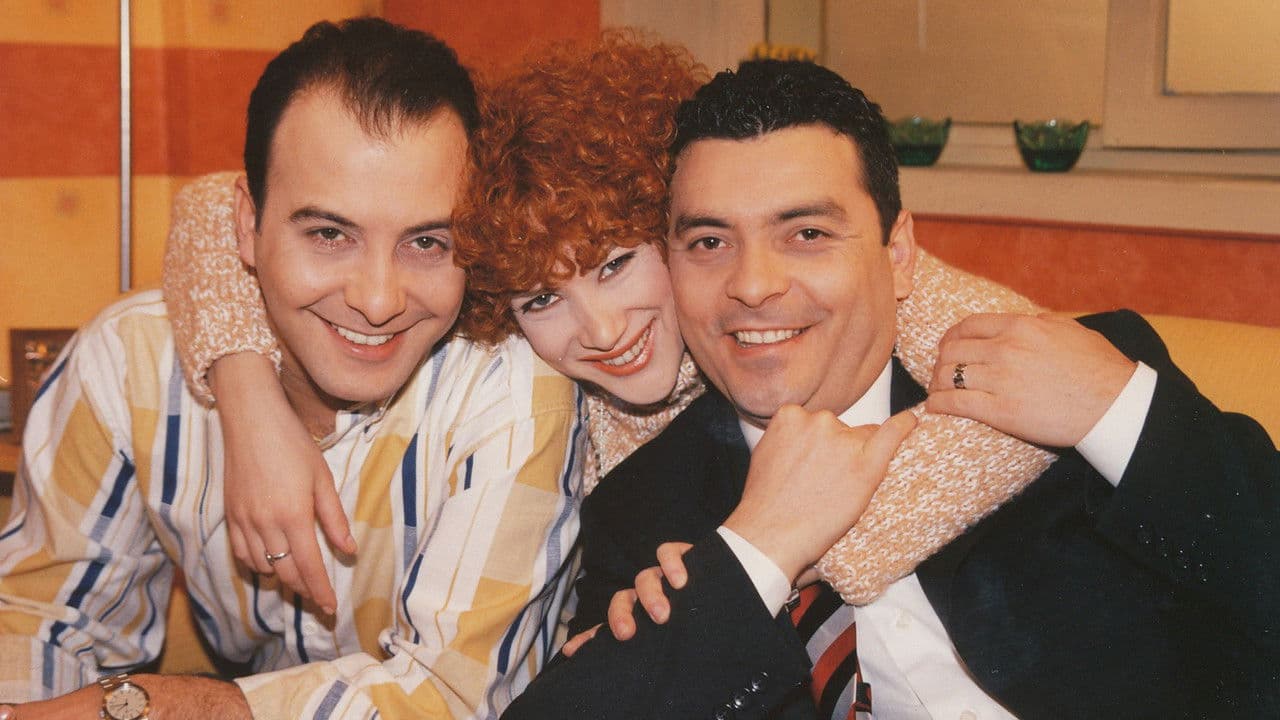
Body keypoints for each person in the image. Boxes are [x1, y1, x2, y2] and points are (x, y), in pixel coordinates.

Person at [162, 34, 1053, 625]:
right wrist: (250, 402)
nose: (599, 330)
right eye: (540, 300)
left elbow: (1042, 381)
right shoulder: (525, 370)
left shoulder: (820, 294)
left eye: (618, 262)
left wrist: (767, 558)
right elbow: (211, 207)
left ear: (680, 220)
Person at [503, 59, 1280, 719]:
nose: (753, 285)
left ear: (898, 252)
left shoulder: (1064, 380)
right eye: (709, 242)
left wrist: (1121, 412)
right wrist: (760, 549)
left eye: (807, 234)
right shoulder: (646, 504)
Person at [0, 18, 583, 720]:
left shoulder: (510, 390)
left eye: (427, 242)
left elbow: (450, 698)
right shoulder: (128, 364)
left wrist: (182, 707)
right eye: (330, 234)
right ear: (245, 225)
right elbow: (39, 620)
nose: (378, 300)